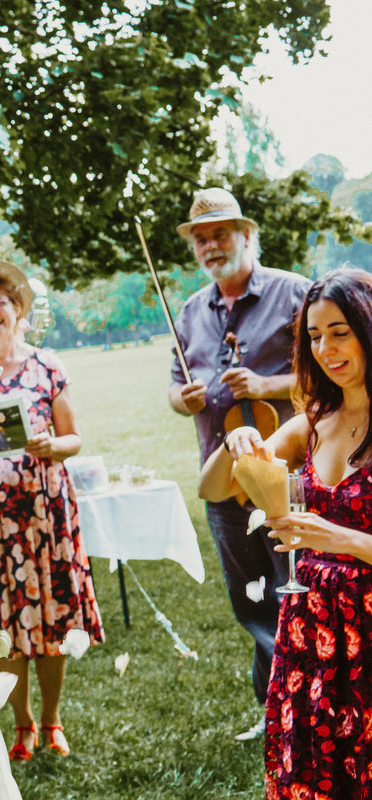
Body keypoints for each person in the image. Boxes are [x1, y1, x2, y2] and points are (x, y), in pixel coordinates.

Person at [198, 268, 372, 798]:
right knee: (315, 771)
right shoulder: (316, 420)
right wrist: (237, 442)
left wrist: (338, 538)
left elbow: (338, 536)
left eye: (339, 332)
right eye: (314, 336)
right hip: (312, 631)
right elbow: (212, 489)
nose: (325, 349)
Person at [0, 258, 102, 761]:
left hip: (45, 515)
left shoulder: (47, 365)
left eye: (0, 303)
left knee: (51, 619)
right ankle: (23, 724)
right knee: (5, 628)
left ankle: (52, 721)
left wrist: (51, 444)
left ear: (18, 310)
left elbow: (74, 437)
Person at [167, 187, 310, 742]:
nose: (208, 246)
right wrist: (189, 399)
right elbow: (174, 391)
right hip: (221, 477)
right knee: (250, 598)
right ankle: (276, 709)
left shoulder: (294, 293)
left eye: (219, 233)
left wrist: (267, 384)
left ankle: (312, 700)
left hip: (286, 476)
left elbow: (335, 371)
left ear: (247, 235)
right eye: (200, 239)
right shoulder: (189, 310)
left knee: (295, 590)